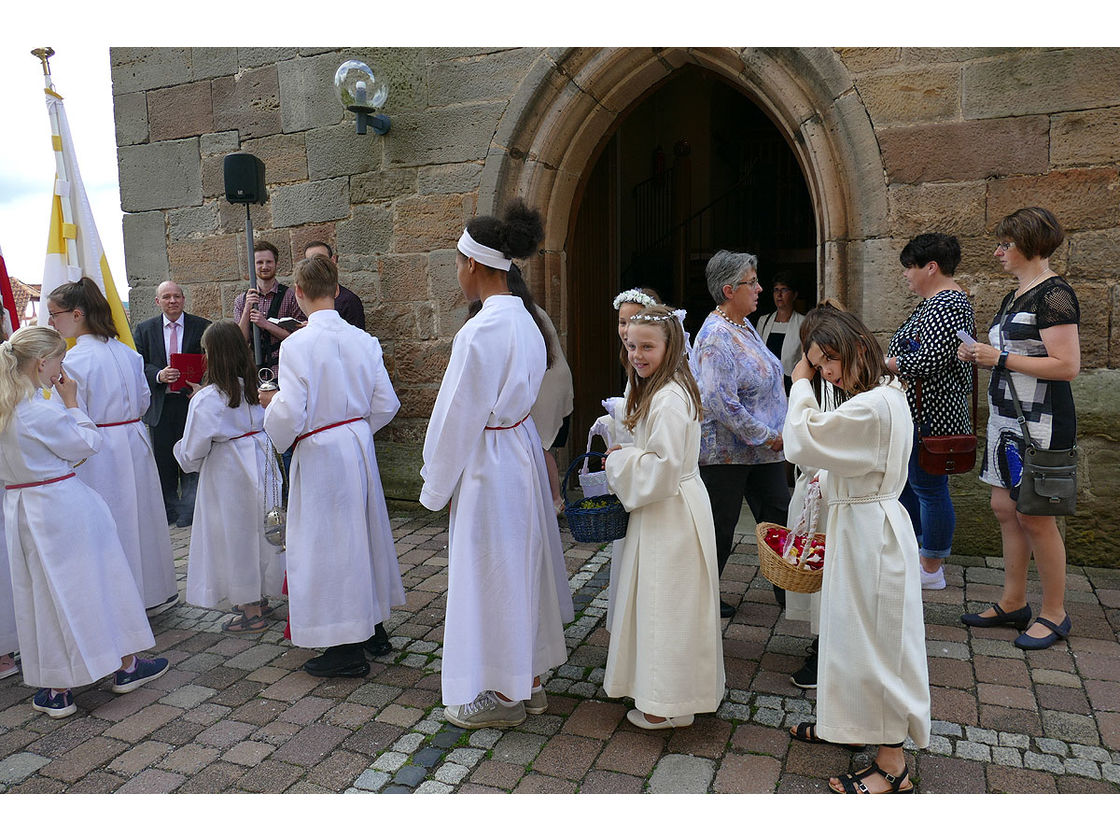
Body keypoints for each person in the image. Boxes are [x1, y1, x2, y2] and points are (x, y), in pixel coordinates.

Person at [420, 200, 574, 729]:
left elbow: (456, 416)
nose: (457, 273)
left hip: (489, 462)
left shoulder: (482, 330)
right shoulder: (526, 322)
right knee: (519, 565)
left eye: (458, 263)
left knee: (491, 573)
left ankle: (503, 696)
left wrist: (435, 485)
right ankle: (526, 680)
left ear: (474, 265)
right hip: (518, 451)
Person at [784, 307, 930, 794]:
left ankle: (892, 765)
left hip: (871, 534)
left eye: (829, 361)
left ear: (857, 349)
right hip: (862, 525)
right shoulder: (880, 396)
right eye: (818, 364)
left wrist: (800, 381)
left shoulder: (869, 406)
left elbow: (801, 441)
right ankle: (846, 726)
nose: (825, 372)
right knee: (849, 635)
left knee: (878, 642)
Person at [0, 327, 169, 718]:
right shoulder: (39, 410)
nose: (63, 366)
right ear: (42, 363)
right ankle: (126, 666)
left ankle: (58, 687)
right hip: (62, 506)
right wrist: (73, 403)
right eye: (59, 359)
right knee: (97, 584)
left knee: (44, 595)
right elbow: (87, 444)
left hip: (22, 508)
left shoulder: (8, 409)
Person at [262, 255, 404, 677]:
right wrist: (355, 430)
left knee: (327, 547)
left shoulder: (297, 345)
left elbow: (290, 412)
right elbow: (387, 404)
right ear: (338, 290)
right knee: (362, 537)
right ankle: (373, 627)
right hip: (356, 447)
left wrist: (271, 411)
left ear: (298, 294)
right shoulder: (364, 341)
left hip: (322, 454)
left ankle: (345, 649)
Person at [958, 207, 1080, 650]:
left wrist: (1000, 358)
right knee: (1006, 509)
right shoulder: (1017, 294)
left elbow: (1067, 366)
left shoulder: (1054, 295)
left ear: (1028, 244)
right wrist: (981, 353)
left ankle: (1055, 613)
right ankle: (1013, 601)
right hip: (1008, 419)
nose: (998, 252)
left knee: (1036, 516)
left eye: (1005, 244)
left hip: (1043, 422)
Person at [603, 305, 724, 729]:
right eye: (632, 344)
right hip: (669, 506)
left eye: (647, 346)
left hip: (670, 510)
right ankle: (673, 696)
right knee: (670, 602)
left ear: (671, 346)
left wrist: (618, 463)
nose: (637, 353)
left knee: (665, 604)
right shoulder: (663, 387)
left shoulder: (671, 397)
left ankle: (664, 706)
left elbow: (661, 467)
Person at [46, 279, 178, 616]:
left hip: (100, 449)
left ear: (77, 315)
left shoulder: (74, 361)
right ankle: (153, 590)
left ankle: (122, 601)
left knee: (113, 522)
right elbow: (146, 402)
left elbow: (72, 414)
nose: (51, 323)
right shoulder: (127, 353)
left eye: (54, 314)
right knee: (143, 518)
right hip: (133, 439)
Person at [690, 250, 790, 618]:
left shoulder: (742, 323)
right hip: (727, 453)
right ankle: (699, 601)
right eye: (753, 283)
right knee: (719, 529)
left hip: (762, 450)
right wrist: (768, 434)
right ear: (729, 290)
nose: (761, 289)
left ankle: (790, 594)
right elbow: (720, 402)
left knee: (778, 516)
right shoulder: (716, 336)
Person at [173, 320, 286, 633]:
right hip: (262, 464)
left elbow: (193, 452)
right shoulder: (258, 389)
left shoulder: (207, 399)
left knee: (236, 537)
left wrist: (178, 450)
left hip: (228, 472)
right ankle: (261, 596)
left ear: (212, 355)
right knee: (262, 530)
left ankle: (251, 611)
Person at [885, 234, 976, 591]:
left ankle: (931, 565)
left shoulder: (948, 303)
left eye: (911, 267)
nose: (906, 274)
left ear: (931, 267)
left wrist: (888, 363)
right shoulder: (933, 303)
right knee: (913, 483)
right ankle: (917, 553)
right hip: (920, 411)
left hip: (933, 413)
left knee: (929, 486)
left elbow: (928, 359)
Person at [470, 264, 574, 514]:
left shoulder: (515, 315)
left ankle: (555, 500)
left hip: (545, 386)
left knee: (540, 444)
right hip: (548, 382)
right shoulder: (527, 311)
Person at [132, 281, 211, 527]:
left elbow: (210, 360)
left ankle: (190, 510)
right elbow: (138, 364)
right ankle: (169, 510)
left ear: (184, 299)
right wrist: (158, 375)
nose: (172, 301)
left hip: (191, 402)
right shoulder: (144, 329)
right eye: (166, 297)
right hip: (161, 404)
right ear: (158, 302)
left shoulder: (202, 326)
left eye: (177, 296)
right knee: (163, 460)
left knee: (191, 454)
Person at [233, 240, 302, 374]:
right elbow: (239, 341)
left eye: (269, 262)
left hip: (284, 368)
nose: (264, 266)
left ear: (276, 264)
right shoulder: (241, 300)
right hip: (252, 370)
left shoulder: (291, 296)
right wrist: (247, 309)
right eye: (259, 262)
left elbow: (298, 337)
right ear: (253, 266)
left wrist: (266, 324)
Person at [755, 272, 805, 390]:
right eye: (776, 290)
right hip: (767, 384)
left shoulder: (803, 323)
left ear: (794, 295)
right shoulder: (764, 321)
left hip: (790, 385)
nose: (779, 294)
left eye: (784, 290)